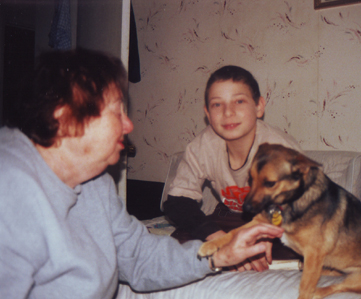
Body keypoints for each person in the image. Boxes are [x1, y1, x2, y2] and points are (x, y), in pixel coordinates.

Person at [0, 49, 284, 299]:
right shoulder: (10, 188)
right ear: (65, 118)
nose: (129, 125)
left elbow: (138, 256)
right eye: (117, 113)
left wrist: (219, 254)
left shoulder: (95, 180)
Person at [163, 65, 302, 271]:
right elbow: (177, 203)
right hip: (230, 218)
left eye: (239, 101)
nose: (228, 112)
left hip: (279, 219)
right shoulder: (202, 146)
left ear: (258, 106)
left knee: (302, 247)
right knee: (179, 247)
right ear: (208, 113)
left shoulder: (279, 150)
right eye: (217, 104)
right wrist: (220, 239)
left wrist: (261, 236)